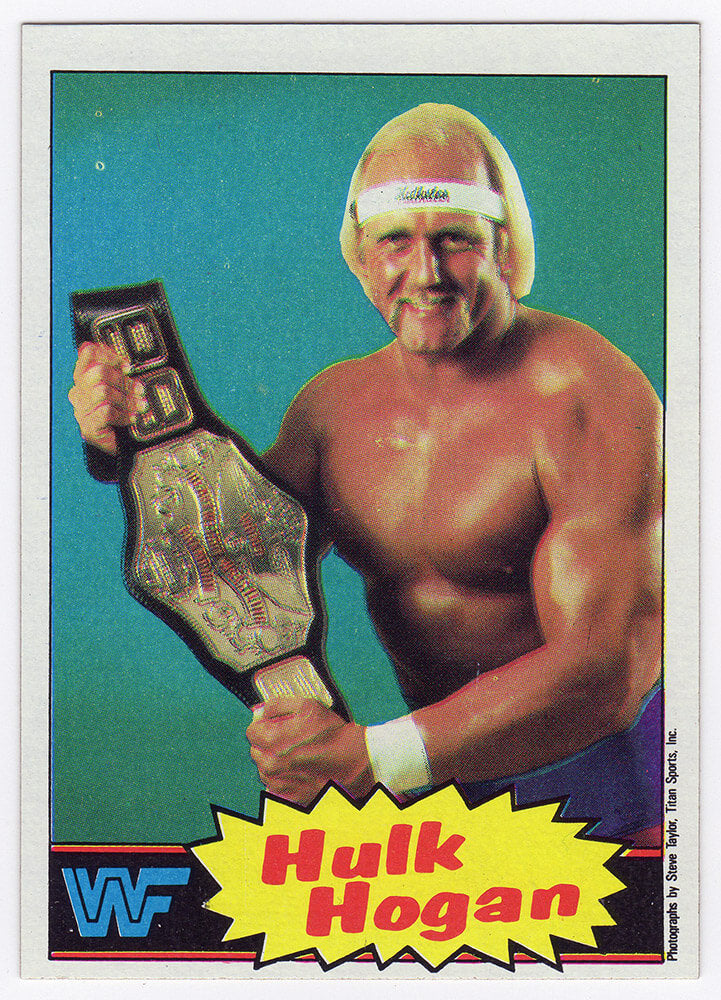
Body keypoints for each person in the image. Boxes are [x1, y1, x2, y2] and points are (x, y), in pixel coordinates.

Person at [69, 104, 663, 844]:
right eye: (395, 242)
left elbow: (608, 668)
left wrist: (371, 758)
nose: (425, 274)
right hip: (439, 776)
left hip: (607, 773)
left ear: (504, 245)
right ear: (358, 254)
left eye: (455, 240)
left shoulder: (589, 394)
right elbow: (236, 556)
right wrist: (123, 442)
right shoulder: (334, 408)